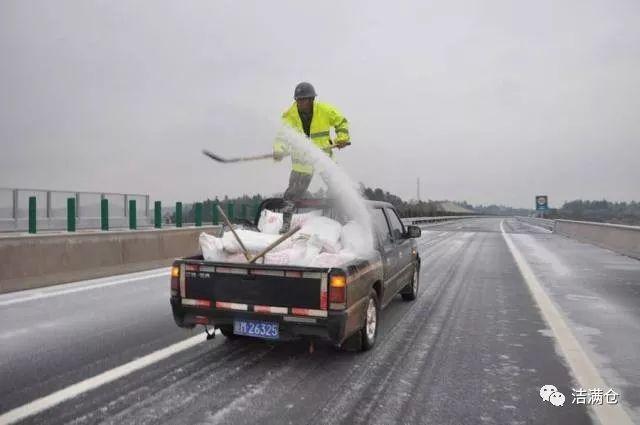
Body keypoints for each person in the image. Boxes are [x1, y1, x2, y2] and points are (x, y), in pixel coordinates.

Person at [273, 82, 350, 233]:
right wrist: (279, 150)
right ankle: (286, 225)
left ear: (311, 99)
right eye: (299, 100)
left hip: (323, 159)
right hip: (302, 163)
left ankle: (343, 219)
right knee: (292, 195)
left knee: (338, 189)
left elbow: (341, 122)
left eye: (304, 99)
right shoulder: (289, 116)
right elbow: (281, 137)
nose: (301, 103)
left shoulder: (325, 110)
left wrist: (342, 137)